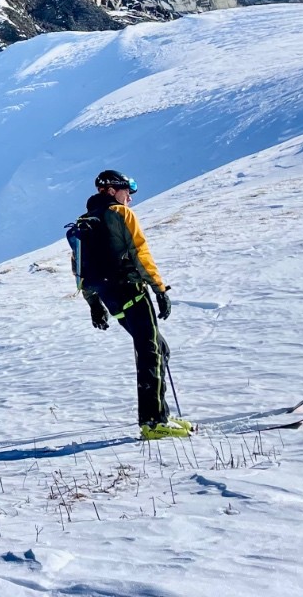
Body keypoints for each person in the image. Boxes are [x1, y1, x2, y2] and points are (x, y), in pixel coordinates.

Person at [72, 170, 190, 440]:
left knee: (158, 349)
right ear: (112, 190)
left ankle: (160, 414)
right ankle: (153, 423)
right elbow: (140, 252)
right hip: (134, 293)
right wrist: (160, 289)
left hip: (111, 299)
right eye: (127, 191)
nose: (131, 198)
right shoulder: (121, 214)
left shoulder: (85, 221)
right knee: (151, 353)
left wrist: (94, 304)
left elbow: (78, 267)